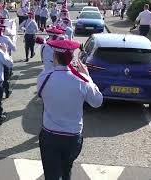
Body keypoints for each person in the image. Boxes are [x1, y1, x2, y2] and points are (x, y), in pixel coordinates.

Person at [37, 39, 103, 180]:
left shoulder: (44, 77)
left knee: (51, 174)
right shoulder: (82, 81)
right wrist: (88, 77)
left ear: (54, 56)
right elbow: (97, 102)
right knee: (66, 170)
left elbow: (42, 95)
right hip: (72, 137)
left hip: (49, 134)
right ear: (72, 58)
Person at [0, 24, 17, 98]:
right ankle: (6, 92)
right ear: (3, 30)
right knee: (6, 78)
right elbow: (14, 49)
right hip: (5, 59)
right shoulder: (6, 38)